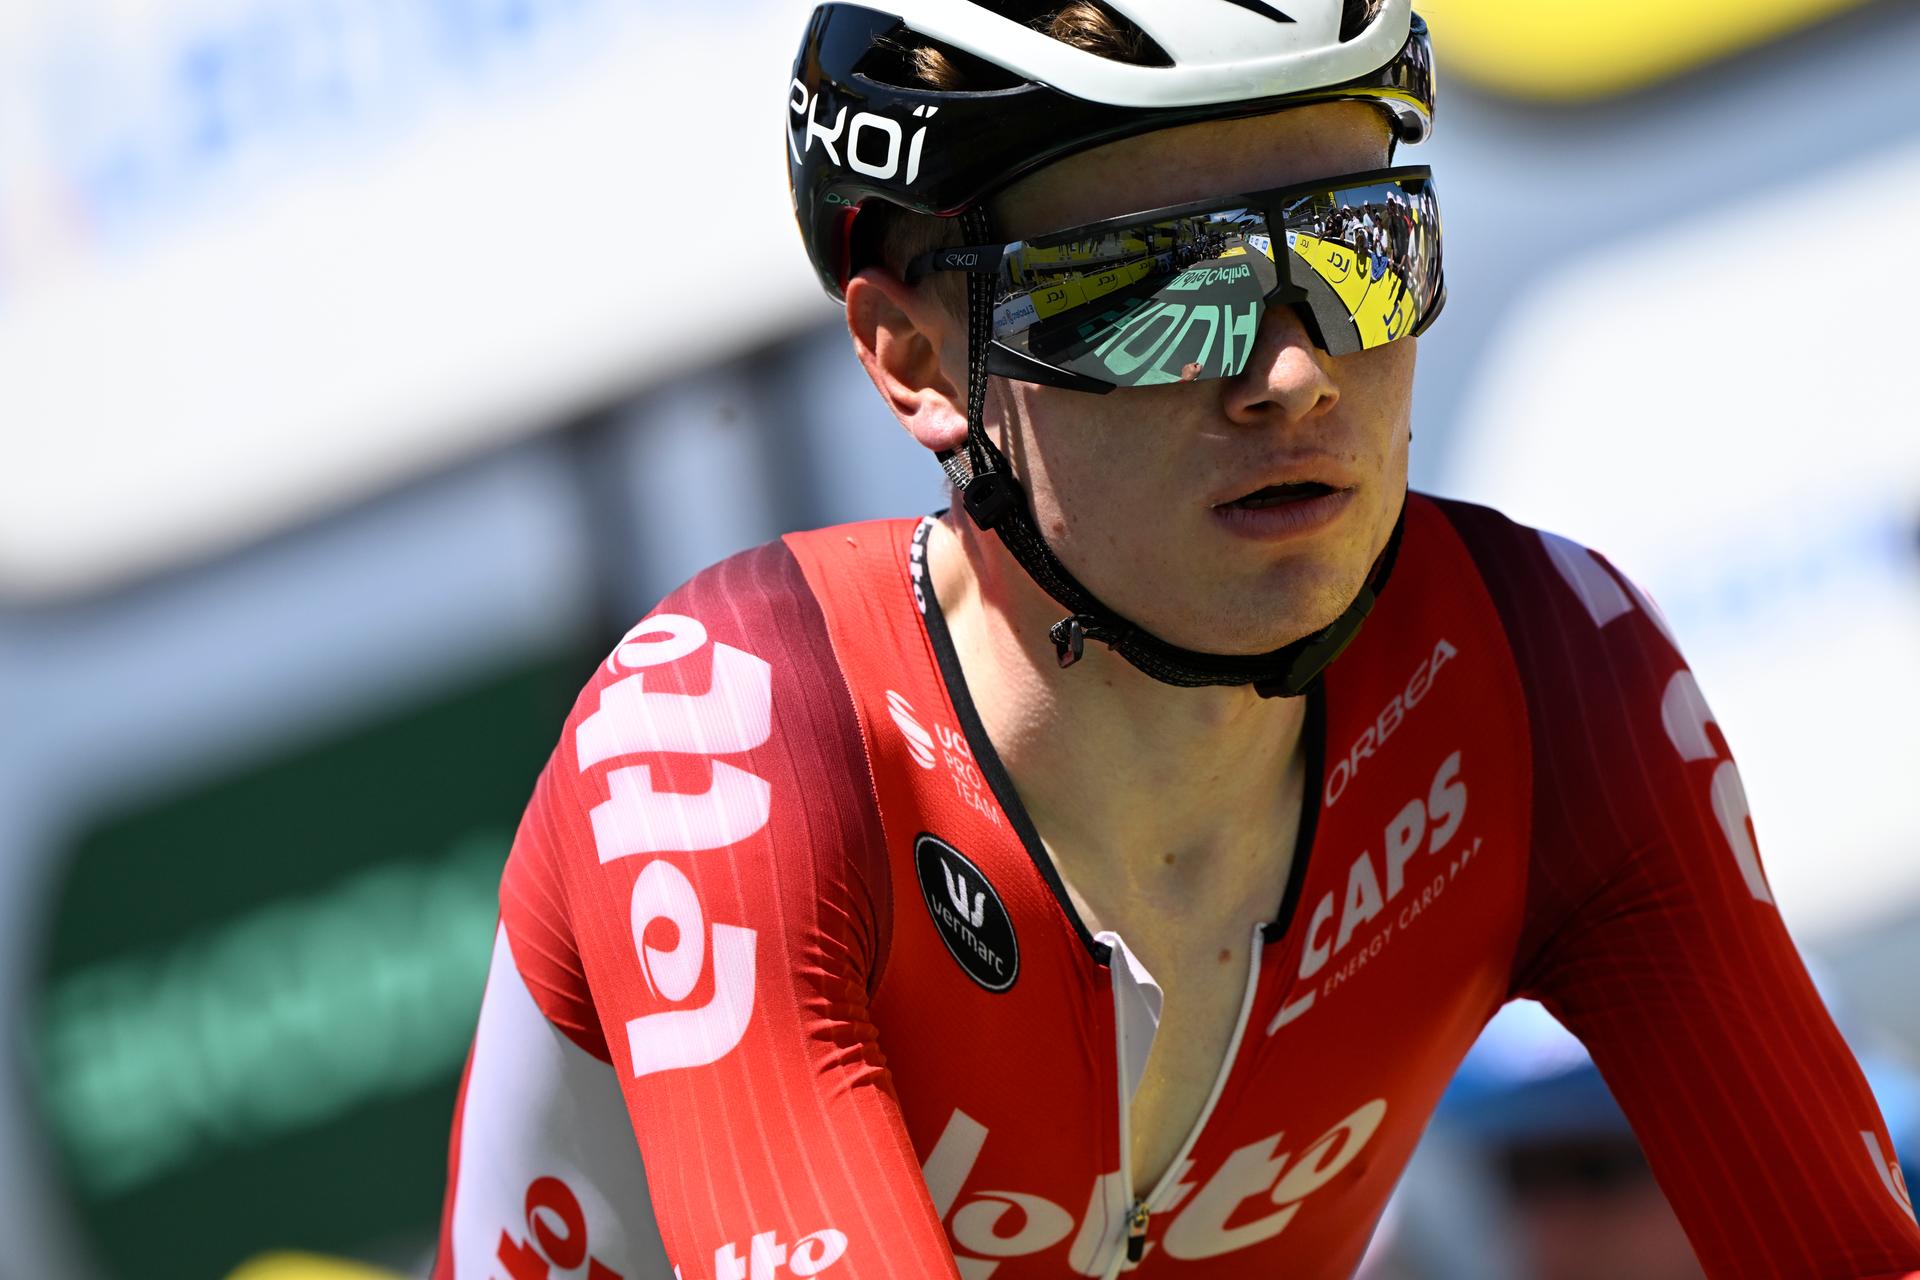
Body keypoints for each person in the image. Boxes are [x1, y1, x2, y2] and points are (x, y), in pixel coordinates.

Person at [432, 3, 1920, 1278]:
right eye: (1152, 289)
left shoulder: (1552, 685)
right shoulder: (729, 742)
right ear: (912, 358)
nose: (1290, 371)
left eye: (1357, 249)